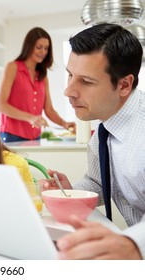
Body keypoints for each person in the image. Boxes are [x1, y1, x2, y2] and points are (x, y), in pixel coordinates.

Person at [42, 23, 145, 260]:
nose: (68, 91)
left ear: (124, 85)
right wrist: (71, 192)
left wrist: (134, 244)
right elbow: (100, 182)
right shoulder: (105, 125)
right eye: (70, 75)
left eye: (86, 82)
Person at [0, 27, 75, 142]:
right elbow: (1, 105)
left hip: (35, 137)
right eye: (39, 47)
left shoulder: (42, 76)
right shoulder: (12, 67)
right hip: (11, 135)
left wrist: (65, 124)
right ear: (29, 46)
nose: (43, 52)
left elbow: (49, 110)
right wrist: (30, 117)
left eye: (46, 48)